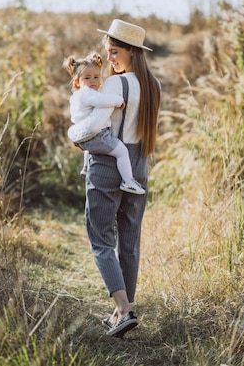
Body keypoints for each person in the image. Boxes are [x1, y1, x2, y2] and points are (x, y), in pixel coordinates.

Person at [83, 19, 161, 338]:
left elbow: (93, 127)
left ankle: (125, 310)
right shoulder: (153, 85)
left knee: (101, 238)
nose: (110, 59)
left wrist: (77, 133)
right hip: (139, 163)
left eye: (114, 52)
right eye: (108, 52)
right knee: (129, 241)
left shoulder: (117, 84)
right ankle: (121, 311)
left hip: (108, 164)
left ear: (131, 51)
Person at [64, 51, 146, 195]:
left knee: (89, 148)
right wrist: (118, 100)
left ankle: (86, 167)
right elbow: (101, 101)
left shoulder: (75, 97)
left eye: (96, 76)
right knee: (121, 152)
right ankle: (128, 181)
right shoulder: (87, 93)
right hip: (98, 135)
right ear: (77, 82)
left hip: (84, 137)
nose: (93, 81)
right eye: (87, 78)